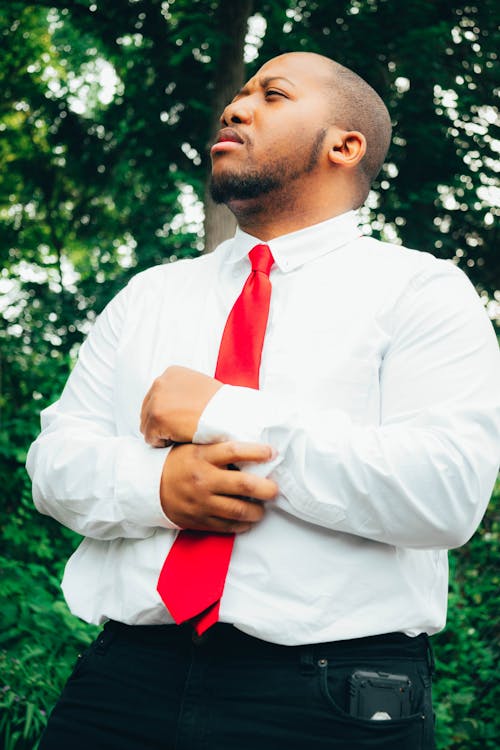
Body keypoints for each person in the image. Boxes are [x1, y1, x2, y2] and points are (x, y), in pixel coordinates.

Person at [27, 51, 500, 750]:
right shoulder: (148, 297)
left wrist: (225, 413)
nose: (236, 107)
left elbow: (446, 493)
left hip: (336, 699)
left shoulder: (422, 293)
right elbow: (54, 465)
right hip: (120, 685)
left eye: (272, 95)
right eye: (237, 94)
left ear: (345, 145)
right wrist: (155, 487)